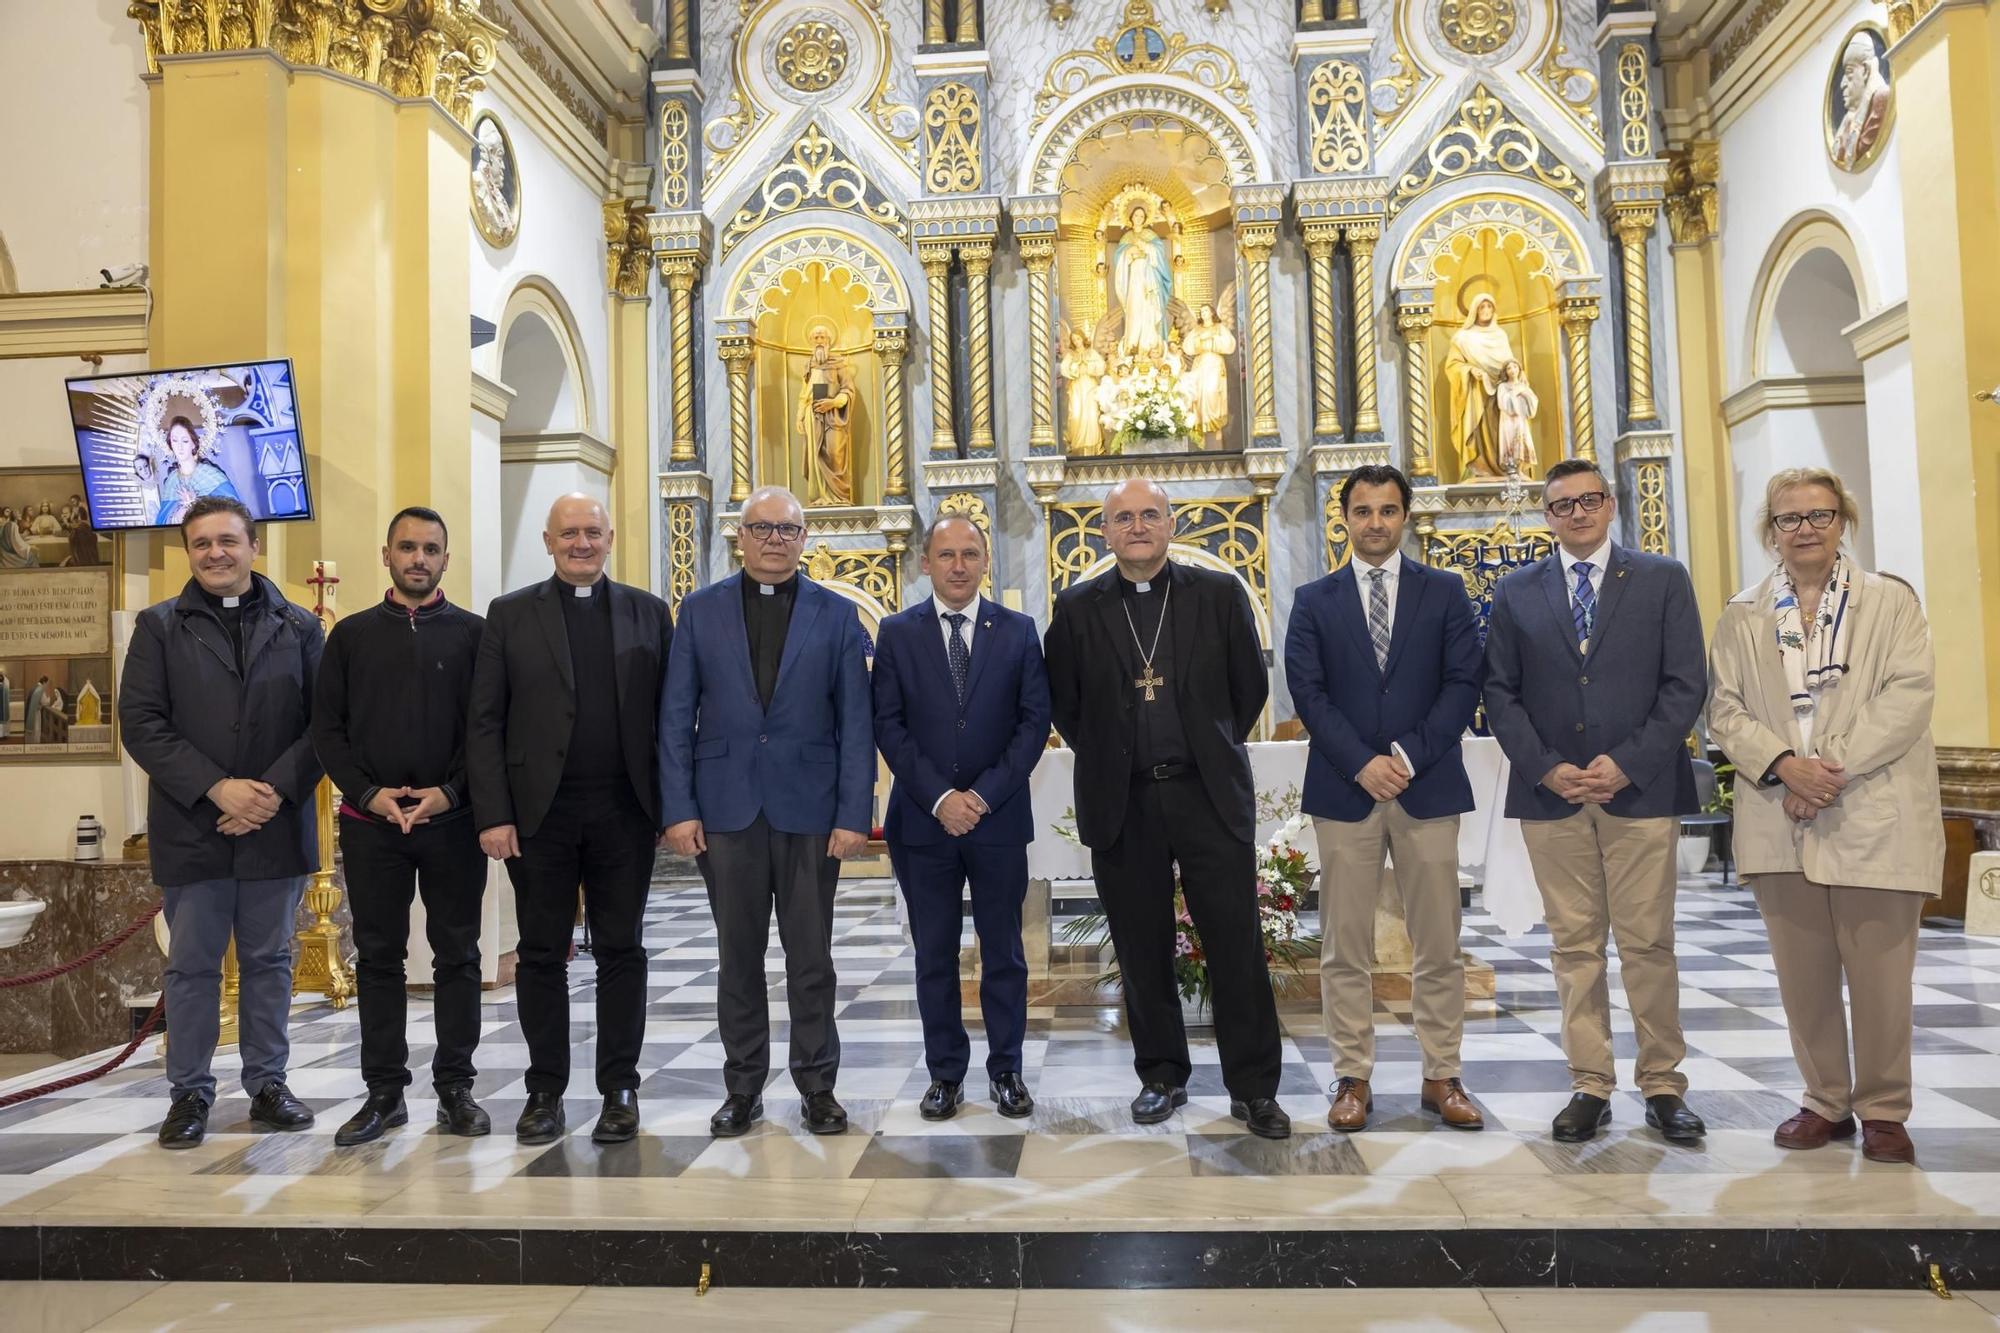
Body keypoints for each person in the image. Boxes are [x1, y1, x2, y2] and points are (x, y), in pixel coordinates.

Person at [1044, 477, 1291, 1138]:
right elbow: (1065, 704)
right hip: (1123, 799)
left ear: (1171, 523)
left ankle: (1254, 1086)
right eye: (1123, 517)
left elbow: (1250, 686)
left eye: (1149, 514)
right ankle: (1161, 1075)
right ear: (1105, 531)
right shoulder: (1076, 607)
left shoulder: (1217, 594)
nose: (1137, 526)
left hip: (1206, 792)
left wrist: (1205, 746)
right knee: (1141, 945)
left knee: (1235, 943)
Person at [1707, 468, 1941, 1165]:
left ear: (1844, 520)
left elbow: (1908, 697)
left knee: (1880, 976)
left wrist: (1824, 769)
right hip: (1781, 813)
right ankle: (1824, 1100)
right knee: (1802, 976)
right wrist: (1785, 765)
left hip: (1872, 809)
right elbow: (1724, 708)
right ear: (1770, 531)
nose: (1805, 528)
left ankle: (1885, 1108)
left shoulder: (1890, 603)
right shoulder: (1742, 613)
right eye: (1790, 518)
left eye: (1820, 514)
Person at [1483, 459, 1708, 1146]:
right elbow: (1498, 692)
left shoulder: (1662, 578)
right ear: (1546, 515)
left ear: (1610, 505)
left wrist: (1628, 762)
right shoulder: (1516, 590)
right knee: (1575, 947)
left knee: (1647, 943)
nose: (1576, 513)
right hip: (1553, 797)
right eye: (1561, 504)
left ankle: (1664, 1083)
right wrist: (1548, 768)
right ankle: (1590, 1082)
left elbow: (1685, 682)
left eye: (1587, 500)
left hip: (1637, 791)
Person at [660, 486, 873, 1138]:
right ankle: (743, 1086)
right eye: (762, 527)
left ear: (804, 538)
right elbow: (675, 717)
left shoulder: (836, 615)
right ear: (740, 536)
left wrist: (853, 813)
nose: (774, 538)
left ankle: (818, 1087)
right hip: (727, 810)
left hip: (809, 810)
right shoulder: (698, 612)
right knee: (738, 957)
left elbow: (855, 723)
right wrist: (679, 808)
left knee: (811, 958)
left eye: (787, 528)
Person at [118, 495, 325, 1148]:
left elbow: (328, 724)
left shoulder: (299, 626)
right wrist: (217, 789)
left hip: (275, 824)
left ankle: (268, 1084)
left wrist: (268, 793)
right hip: (193, 825)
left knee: (270, 959)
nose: (216, 553)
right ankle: (189, 1093)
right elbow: (142, 722)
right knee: (192, 966)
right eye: (202, 542)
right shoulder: (159, 627)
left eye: (228, 540)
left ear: (253, 545)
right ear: (189, 552)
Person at [467, 493, 673, 1146]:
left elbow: (671, 718)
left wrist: (673, 808)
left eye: (592, 531)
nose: (581, 542)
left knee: (622, 949)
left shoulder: (649, 612)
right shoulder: (508, 615)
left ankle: (619, 1087)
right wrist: (494, 814)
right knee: (539, 953)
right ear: (548, 541)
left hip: (624, 811)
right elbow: (485, 721)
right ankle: (545, 1090)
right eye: (569, 533)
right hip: (539, 817)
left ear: (610, 537)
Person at [1284, 465, 1485, 1133]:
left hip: (1426, 784)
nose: (1375, 522)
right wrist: (1362, 762)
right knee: (1344, 943)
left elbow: (1462, 682)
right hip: (1345, 790)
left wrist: (1403, 756)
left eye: (1388, 510)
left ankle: (1442, 1073)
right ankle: (1352, 1075)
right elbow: (1307, 691)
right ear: (1343, 518)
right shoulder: (1315, 599)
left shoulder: (1446, 591)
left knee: (1439, 941)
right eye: (1363, 510)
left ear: (1406, 517)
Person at [313, 507, 491, 1146]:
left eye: (431, 549)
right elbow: (327, 730)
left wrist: (449, 793)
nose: (419, 558)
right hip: (372, 821)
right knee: (380, 958)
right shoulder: (352, 637)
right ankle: (385, 1093)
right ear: (385, 555)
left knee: (458, 957)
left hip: (453, 821)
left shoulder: (474, 635)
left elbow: (486, 731)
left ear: (447, 559)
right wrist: (368, 793)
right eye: (407, 547)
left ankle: (456, 1088)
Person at [873, 514, 1051, 1120]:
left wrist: (982, 796)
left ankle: (1007, 1071)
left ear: (985, 562)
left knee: (1003, 950)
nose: (957, 566)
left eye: (969, 554)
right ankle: (944, 1074)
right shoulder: (897, 633)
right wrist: (940, 799)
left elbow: (1033, 725)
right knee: (934, 954)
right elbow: (888, 725)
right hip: (923, 825)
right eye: (945, 555)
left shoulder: (1019, 630)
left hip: (997, 822)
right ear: (925, 563)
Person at [1444, 295, 1516, 479]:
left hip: (1501, 395)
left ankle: (1508, 467)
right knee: (1480, 432)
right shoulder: (1463, 338)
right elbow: (1452, 366)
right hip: (1476, 394)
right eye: (1482, 307)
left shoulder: (1500, 335)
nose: (1485, 310)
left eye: (1489, 307)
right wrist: (1469, 370)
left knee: (1504, 432)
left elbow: (1509, 363)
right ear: (1475, 310)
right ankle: (1481, 466)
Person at [796, 322, 855, 506]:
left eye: (822, 337)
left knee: (834, 453)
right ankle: (819, 496)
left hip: (834, 417)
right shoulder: (809, 365)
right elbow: (804, 393)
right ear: (811, 341)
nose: (819, 341)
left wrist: (834, 402)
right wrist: (799, 415)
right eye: (816, 338)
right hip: (812, 416)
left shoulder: (838, 364)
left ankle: (839, 497)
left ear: (829, 340)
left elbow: (848, 389)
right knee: (815, 456)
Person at [153, 416, 241, 526]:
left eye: (185, 441)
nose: (179, 446)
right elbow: (163, 523)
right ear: (170, 444)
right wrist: (180, 514)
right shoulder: (171, 481)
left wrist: (197, 503)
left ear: (193, 444)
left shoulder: (211, 475)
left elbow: (234, 512)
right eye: (174, 440)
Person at [1831, 32, 1891, 171]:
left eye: (1849, 74)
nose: (1842, 84)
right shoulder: (1849, 119)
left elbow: (1862, 145)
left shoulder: (1881, 97)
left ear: (1865, 71)